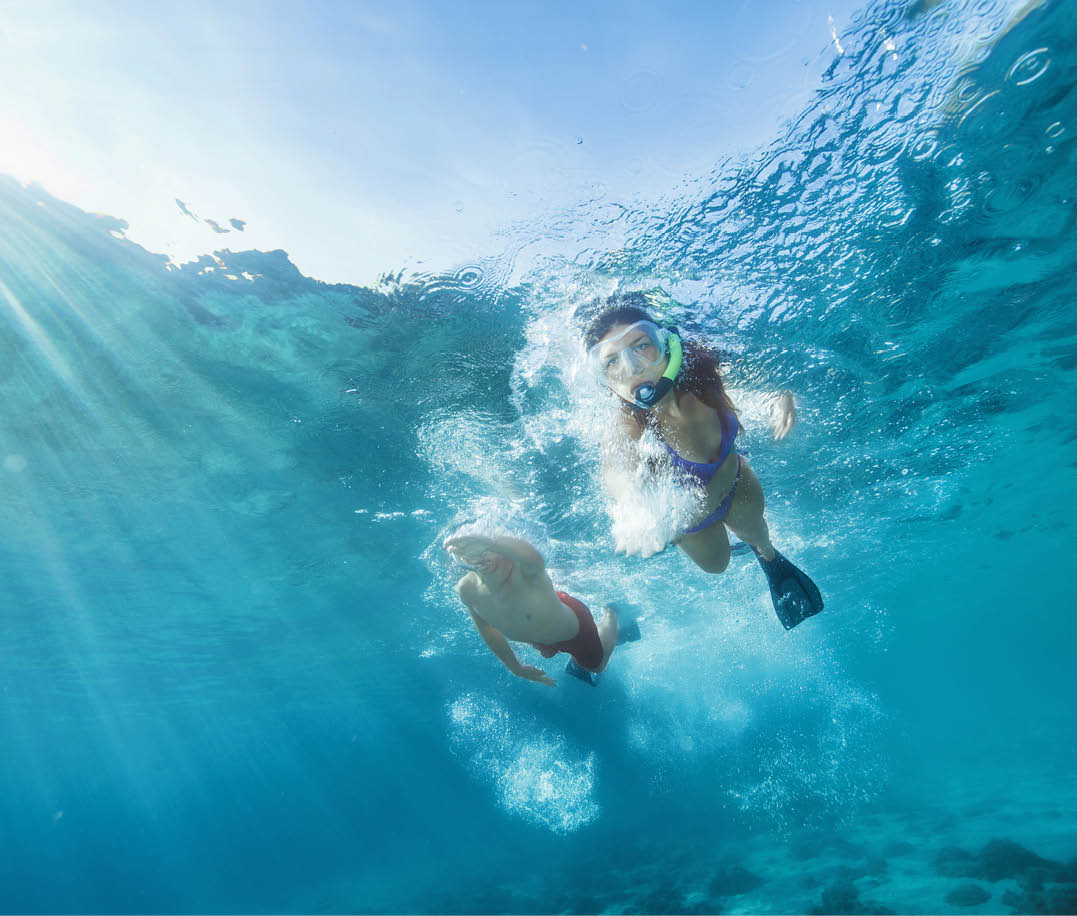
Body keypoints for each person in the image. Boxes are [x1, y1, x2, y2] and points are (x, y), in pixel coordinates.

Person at [581, 291, 823, 629]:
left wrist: (777, 400)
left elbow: (751, 389)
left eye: (641, 345)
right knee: (717, 564)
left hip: (736, 481)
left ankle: (768, 557)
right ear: (605, 380)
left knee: (758, 532)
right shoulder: (628, 424)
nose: (632, 368)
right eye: (612, 361)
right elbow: (615, 465)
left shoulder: (704, 377)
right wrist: (631, 504)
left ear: (666, 343)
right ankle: (746, 544)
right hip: (693, 519)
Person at [445, 532, 620, 685]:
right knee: (548, 652)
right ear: (462, 558)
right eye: (470, 553)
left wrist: (489, 541)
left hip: (574, 630)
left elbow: (533, 557)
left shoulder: (520, 568)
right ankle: (566, 653)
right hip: (542, 633)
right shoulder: (468, 591)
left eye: (484, 549)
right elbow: (487, 630)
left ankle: (611, 612)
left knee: (597, 666)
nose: (481, 557)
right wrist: (515, 666)